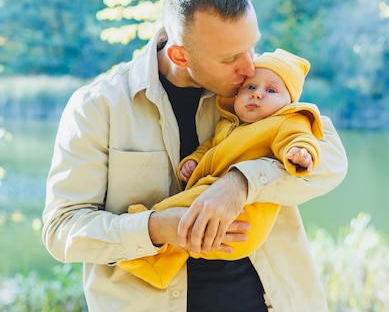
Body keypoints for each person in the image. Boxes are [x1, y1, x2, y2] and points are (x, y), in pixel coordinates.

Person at [42, 0, 347, 312]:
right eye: (232, 58)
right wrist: (158, 229)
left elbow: (328, 160)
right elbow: (61, 229)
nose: (250, 67)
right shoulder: (98, 106)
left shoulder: (256, 92)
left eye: (251, 46)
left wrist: (240, 183)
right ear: (180, 54)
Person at [119, 47, 325, 289]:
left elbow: (300, 138)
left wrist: (300, 153)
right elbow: (209, 147)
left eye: (270, 90)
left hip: (244, 218)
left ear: (288, 103)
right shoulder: (229, 124)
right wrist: (193, 162)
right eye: (250, 87)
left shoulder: (285, 121)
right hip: (219, 212)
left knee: (173, 210)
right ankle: (157, 257)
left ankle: (141, 244)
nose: (257, 94)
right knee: (178, 217)